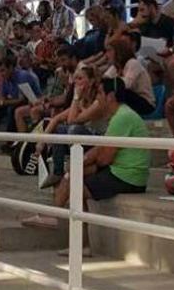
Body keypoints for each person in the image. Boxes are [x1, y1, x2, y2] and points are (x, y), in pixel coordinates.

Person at [51, 77, 150, 211]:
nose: (97, 97)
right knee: (73, 173)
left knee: (75, 185)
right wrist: (81, 162)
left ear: (110, 96)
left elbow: (104, 159)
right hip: (123, 172)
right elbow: (100, 149)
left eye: (99, 93)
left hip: (128, 177)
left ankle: (63, 221)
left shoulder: (122, 117)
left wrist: (85, 163)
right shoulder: (120, 114)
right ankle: (55, 217)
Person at [103, 38, 156, 115]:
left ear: (119, 51)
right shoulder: (116, 67)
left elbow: (126, 84)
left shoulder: (133, 63)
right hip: (132, 101)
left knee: (119, 91)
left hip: (145, 103)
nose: (106, 55)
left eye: (109, 51)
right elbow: (104, 80)